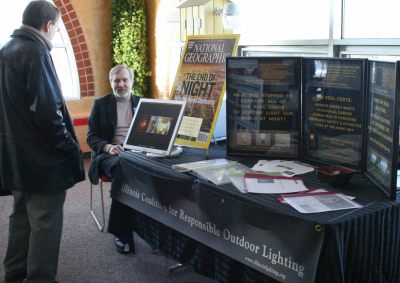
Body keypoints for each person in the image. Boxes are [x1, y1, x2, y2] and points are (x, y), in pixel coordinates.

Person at [0, 1, 85, 282]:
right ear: (48, 25)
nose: (56, 35)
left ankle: (13, 274)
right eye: (57, 29)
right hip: (43, 162)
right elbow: (49, 113)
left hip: (15, 157)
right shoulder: (36, 52)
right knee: (45, 223)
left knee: (21, 218)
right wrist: (69, 147)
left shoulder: (5, 51)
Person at [87, 64, 140, 254]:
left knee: (157, 172)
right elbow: (91, 137)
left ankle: (148, 227)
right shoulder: (100, 104)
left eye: (125, 80)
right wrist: (109, 147)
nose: (121, 84)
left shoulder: (142, 104)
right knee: (123, 172)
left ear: (131, 81)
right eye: (116, 80)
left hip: (137, 153)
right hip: (110, 155)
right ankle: (122, 232)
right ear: (111, 83)